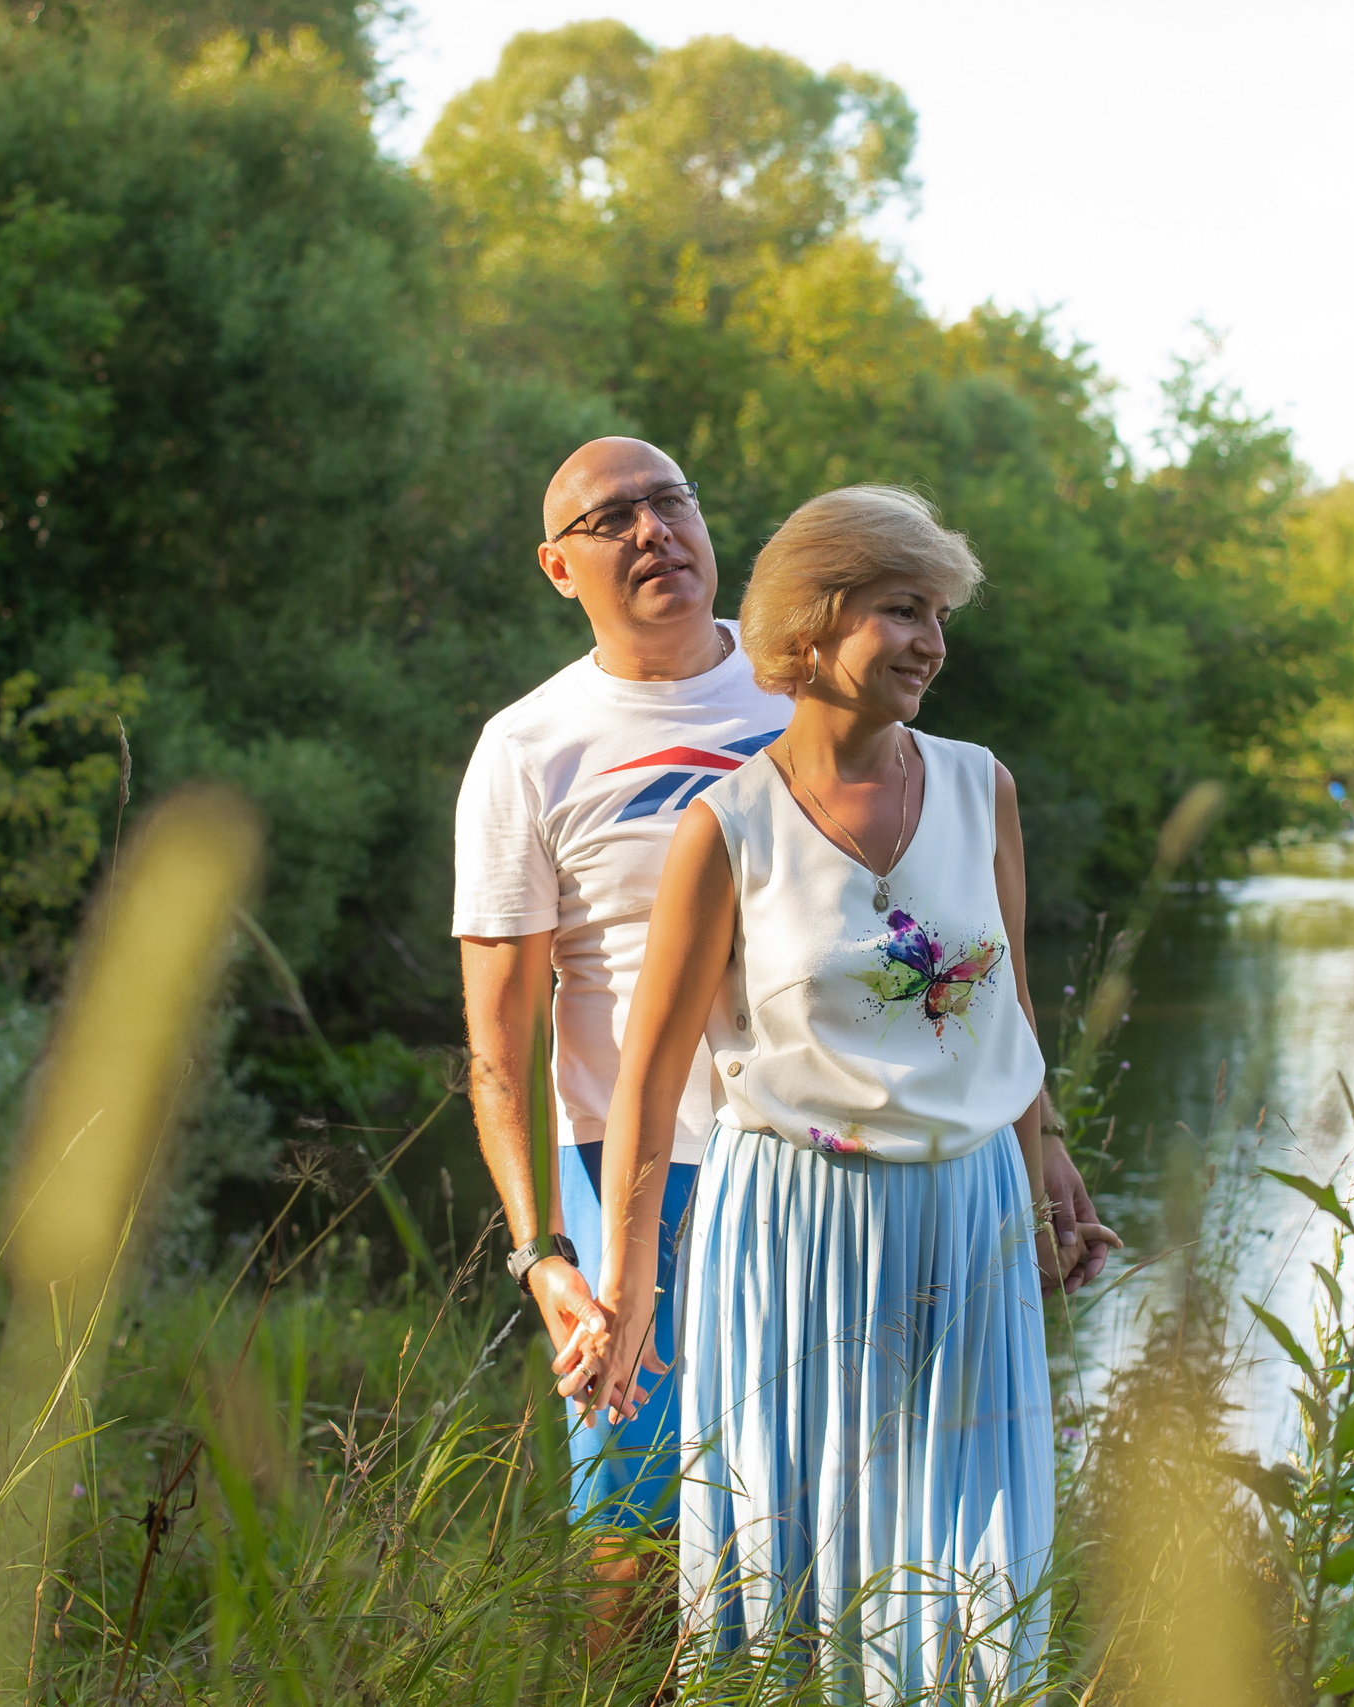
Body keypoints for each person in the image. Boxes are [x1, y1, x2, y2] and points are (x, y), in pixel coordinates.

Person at [454, 444, 1114, 1591]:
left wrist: (1038, 1142)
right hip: (634, 1161)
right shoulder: (527, 749)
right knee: (638, 1523)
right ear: (560, 569)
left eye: (670, 501)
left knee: (848, 1514)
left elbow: (972, 967)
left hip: (846, 1159)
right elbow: (497, 1050)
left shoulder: (823, 685)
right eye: (613, 520)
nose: (653, 530)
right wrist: (541, 1255)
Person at [582, 486, 1059, 1697]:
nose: (933, 644)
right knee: (796, 1566)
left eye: (939, 614)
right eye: (905, 609)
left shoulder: (979, 787)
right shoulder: (727, 828)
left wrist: (1049, 1165)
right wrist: (627, 1292)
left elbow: (1005, 1006)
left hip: (967, 1222)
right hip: (792, 1236)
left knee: (976, 1574)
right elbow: (645, 1083)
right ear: (816, 616)